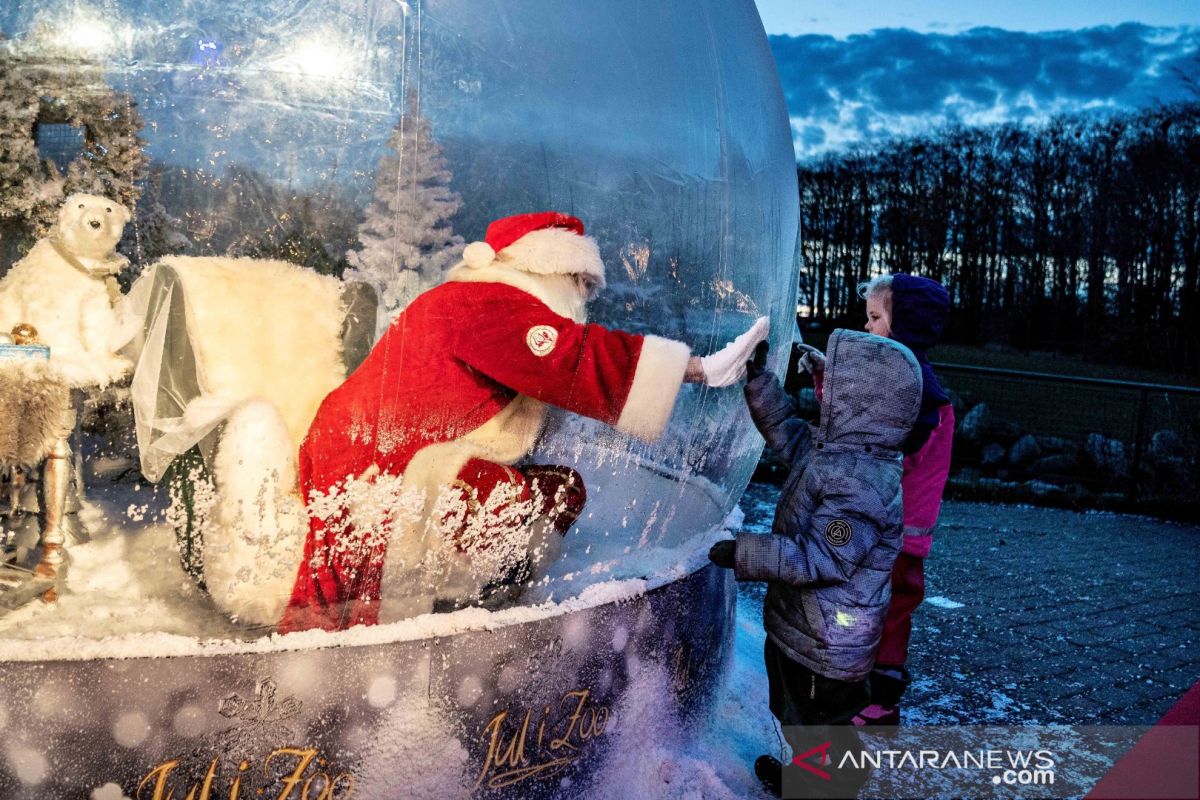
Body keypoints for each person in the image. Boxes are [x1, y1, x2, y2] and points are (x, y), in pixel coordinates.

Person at [279, 211, 768, 633]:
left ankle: (463, 598)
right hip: (373, 453)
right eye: (578, 283)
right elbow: (570, 358)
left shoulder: (473, 300)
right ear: (547, 268)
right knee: (366, 572)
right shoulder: (490, 303)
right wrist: (698, 369)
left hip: (369, 444)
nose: (582, 299)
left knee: (558, 489)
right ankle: (386, 638)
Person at [709, 328, 922, 798]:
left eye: (834, 386)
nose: (821, 391)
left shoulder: (861, 488)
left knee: (812, 723)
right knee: (805, 720)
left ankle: (823, 786)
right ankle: (828, 776)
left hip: (826, 645)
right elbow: (788, 433)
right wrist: (759, 381)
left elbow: (820, 558)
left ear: (863, 406)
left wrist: (745, 552)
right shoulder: (839, 454)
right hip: (810, 631)